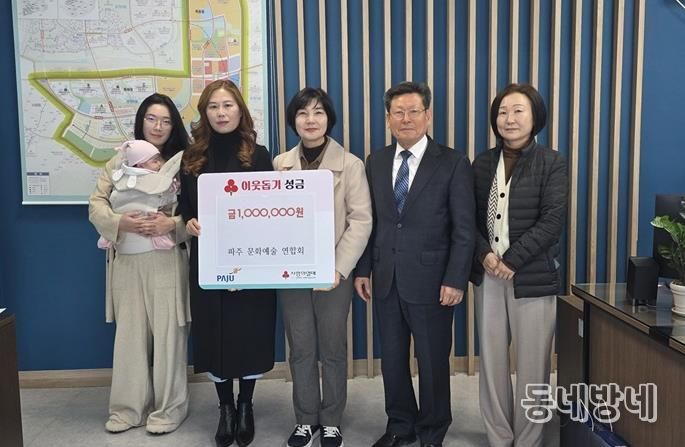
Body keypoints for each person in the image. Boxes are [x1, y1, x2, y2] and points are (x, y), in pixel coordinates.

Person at [354, 81, 476, 447]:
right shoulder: (375, 162)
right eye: (398, 112)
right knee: (392, 359)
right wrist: (363, 269)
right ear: (388, 118)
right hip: (386, 276)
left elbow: (464, 229)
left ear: (428, 115)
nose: (406, 119)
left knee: (432, 360)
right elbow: (370, 222)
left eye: (413, 111)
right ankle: (400, 425)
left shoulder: (453, 162)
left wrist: (455, 279)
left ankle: (433, 429)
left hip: (434, 281)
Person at [177, 79, 276, 447]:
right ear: (205, 113)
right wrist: (189, 221)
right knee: (214, 334)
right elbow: (185, 207)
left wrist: (246, 263)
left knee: (249, 333)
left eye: (228, 105)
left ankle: (246, 404)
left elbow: (269, 210)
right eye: (213, 106)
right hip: (209, 260)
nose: (221, 113)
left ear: (240, 110)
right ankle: (225, 407)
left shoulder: (259, 154)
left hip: (252, 261)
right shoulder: (191, 158)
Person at [470, 83, 567, 447]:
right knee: (492, 361)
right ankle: (499, 436)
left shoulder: (552, 162)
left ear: (535, 116)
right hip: (488, 274)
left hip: (533, 276)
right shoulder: (481, 163)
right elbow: (467, 219)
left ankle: (529, 439)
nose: (509, 119)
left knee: (533, 365)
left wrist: (512, 260)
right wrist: (484, 254)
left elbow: (552, 220)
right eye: (502, 112)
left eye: (518, 111)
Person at [273, 87, 372, 447]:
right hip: (290, 270)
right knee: (300, 347)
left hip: (334, 272)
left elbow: (361, 220)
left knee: (331, 348)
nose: (310, 120)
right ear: (293, 121)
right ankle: (305, 420)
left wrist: (340, 268)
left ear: (329, 118)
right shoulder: (280, 164)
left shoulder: (351, 165)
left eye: (318, 112)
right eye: (302, 113)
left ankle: (331, 420)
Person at [88, 92, 191, 434]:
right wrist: (121, 222)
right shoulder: (117, 162)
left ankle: (169, 409)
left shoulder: (184, 162)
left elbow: (197, 214)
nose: (158, 126)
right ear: (140, 121)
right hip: (126, 263)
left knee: (168, 338)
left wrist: (171, 225)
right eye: (151, 118)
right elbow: (96, 204)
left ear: (173, 125)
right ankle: (128, 409)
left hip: (166, 261)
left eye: (165, 120)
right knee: (129, 338)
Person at [96, 139, 181, 251]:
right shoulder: (117, 165)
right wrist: (116, 222)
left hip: (164, 251)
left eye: (158, 160)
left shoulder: (186, 161)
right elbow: (98, 202)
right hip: (125, 247)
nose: (159, 164)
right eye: (155, 161)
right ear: (140, 165)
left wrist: (172, 224)